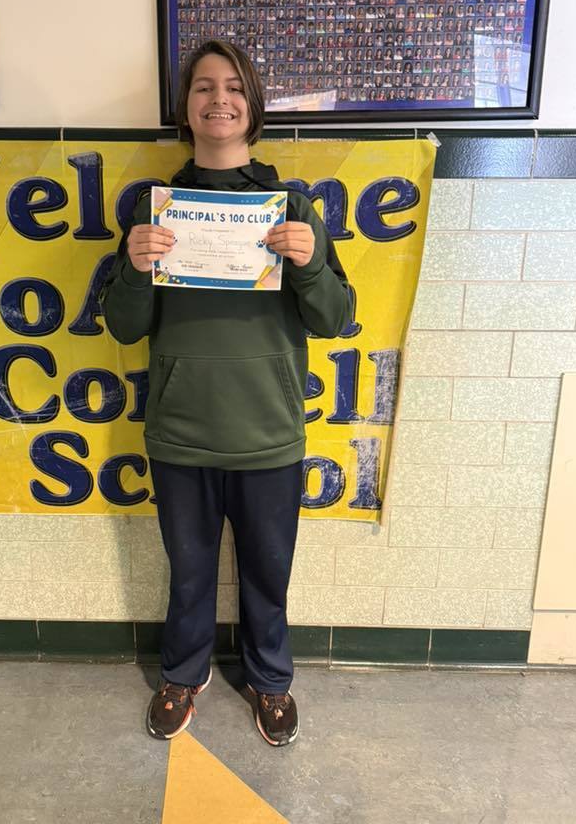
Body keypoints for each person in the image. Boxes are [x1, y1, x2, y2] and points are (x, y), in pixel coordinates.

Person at [102, 39, 351, 746]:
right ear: (186, 108)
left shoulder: (294, 207)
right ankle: (183, 674)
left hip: (269, 433)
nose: (219, 98)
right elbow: (123, 326)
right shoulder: (156, 212)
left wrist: (307, 266)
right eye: (204, 86)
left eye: (234, 86)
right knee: (189, 574)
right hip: (180, 432)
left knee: (269, 575)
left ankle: (270, 681)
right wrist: (135, 265)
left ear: (254, 105)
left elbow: (333, 318)